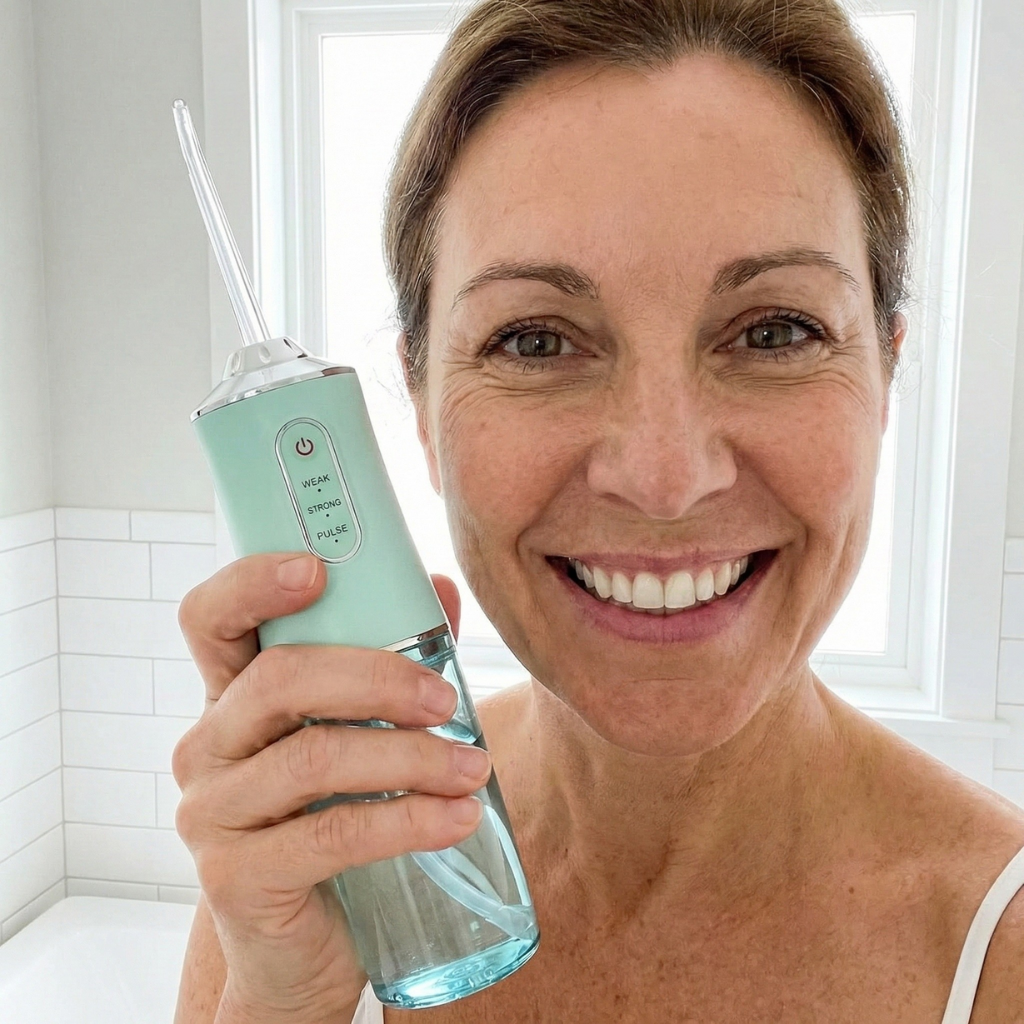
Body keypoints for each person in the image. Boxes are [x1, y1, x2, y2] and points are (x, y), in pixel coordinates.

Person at [171, 0, 1024, 1021]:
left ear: (885, 374)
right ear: (422, 404)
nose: (664, 479)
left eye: (775, 331)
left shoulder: (1002, 948)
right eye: (534, 341)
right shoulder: (311, 879)